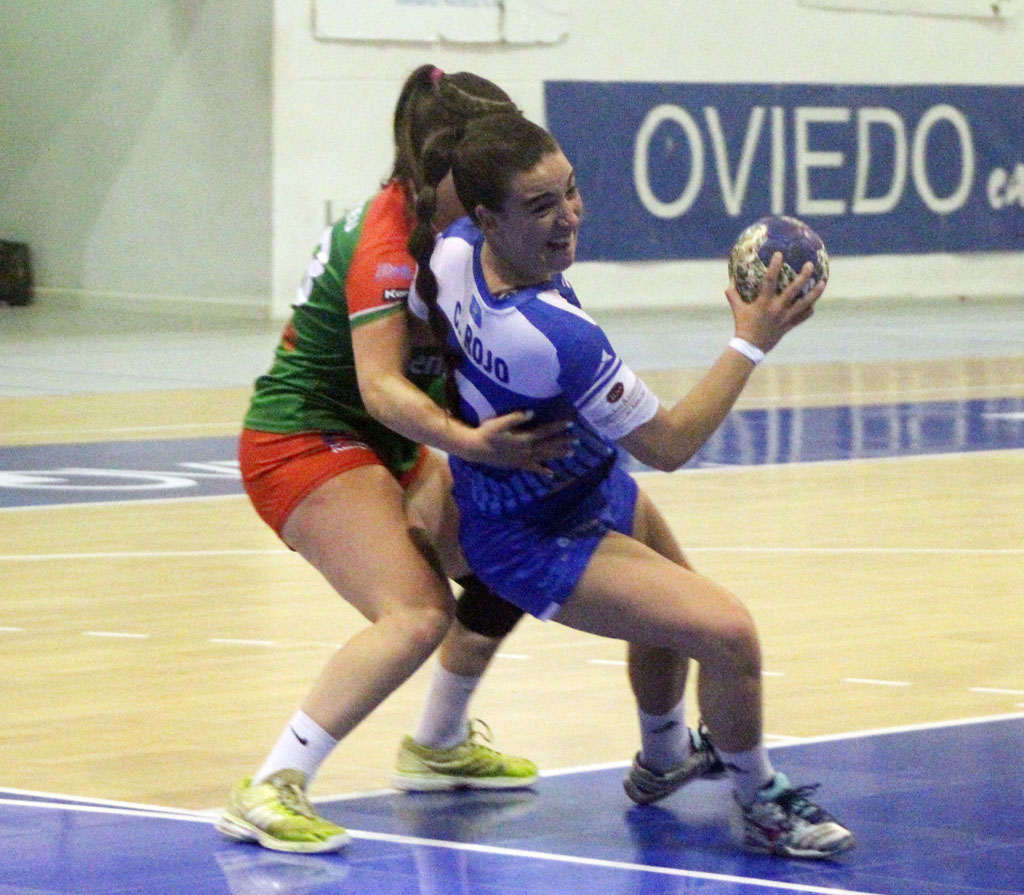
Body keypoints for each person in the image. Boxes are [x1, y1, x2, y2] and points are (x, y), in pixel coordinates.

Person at [407, 112, 856, 859]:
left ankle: (664, 756)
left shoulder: (453, 252)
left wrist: (468, 433)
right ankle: (761, 800)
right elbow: (672, 444)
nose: (569, 216)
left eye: (571, 191)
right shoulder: (557, 336)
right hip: (535, 533)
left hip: (569, 484)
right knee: (728, 635)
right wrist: (752, 339)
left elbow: (422, 329)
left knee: (672, 615)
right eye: (541, 206)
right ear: (488, 217)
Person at [216, 66, 572, 855]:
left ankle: (438, 743)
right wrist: (471, 442)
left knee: (506, 556)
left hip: (391, 441)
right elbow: (379, 387)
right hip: (304, 435)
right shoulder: (385, 236)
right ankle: (270, 783)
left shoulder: (473, 224)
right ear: (446, 162)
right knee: (416, 611)